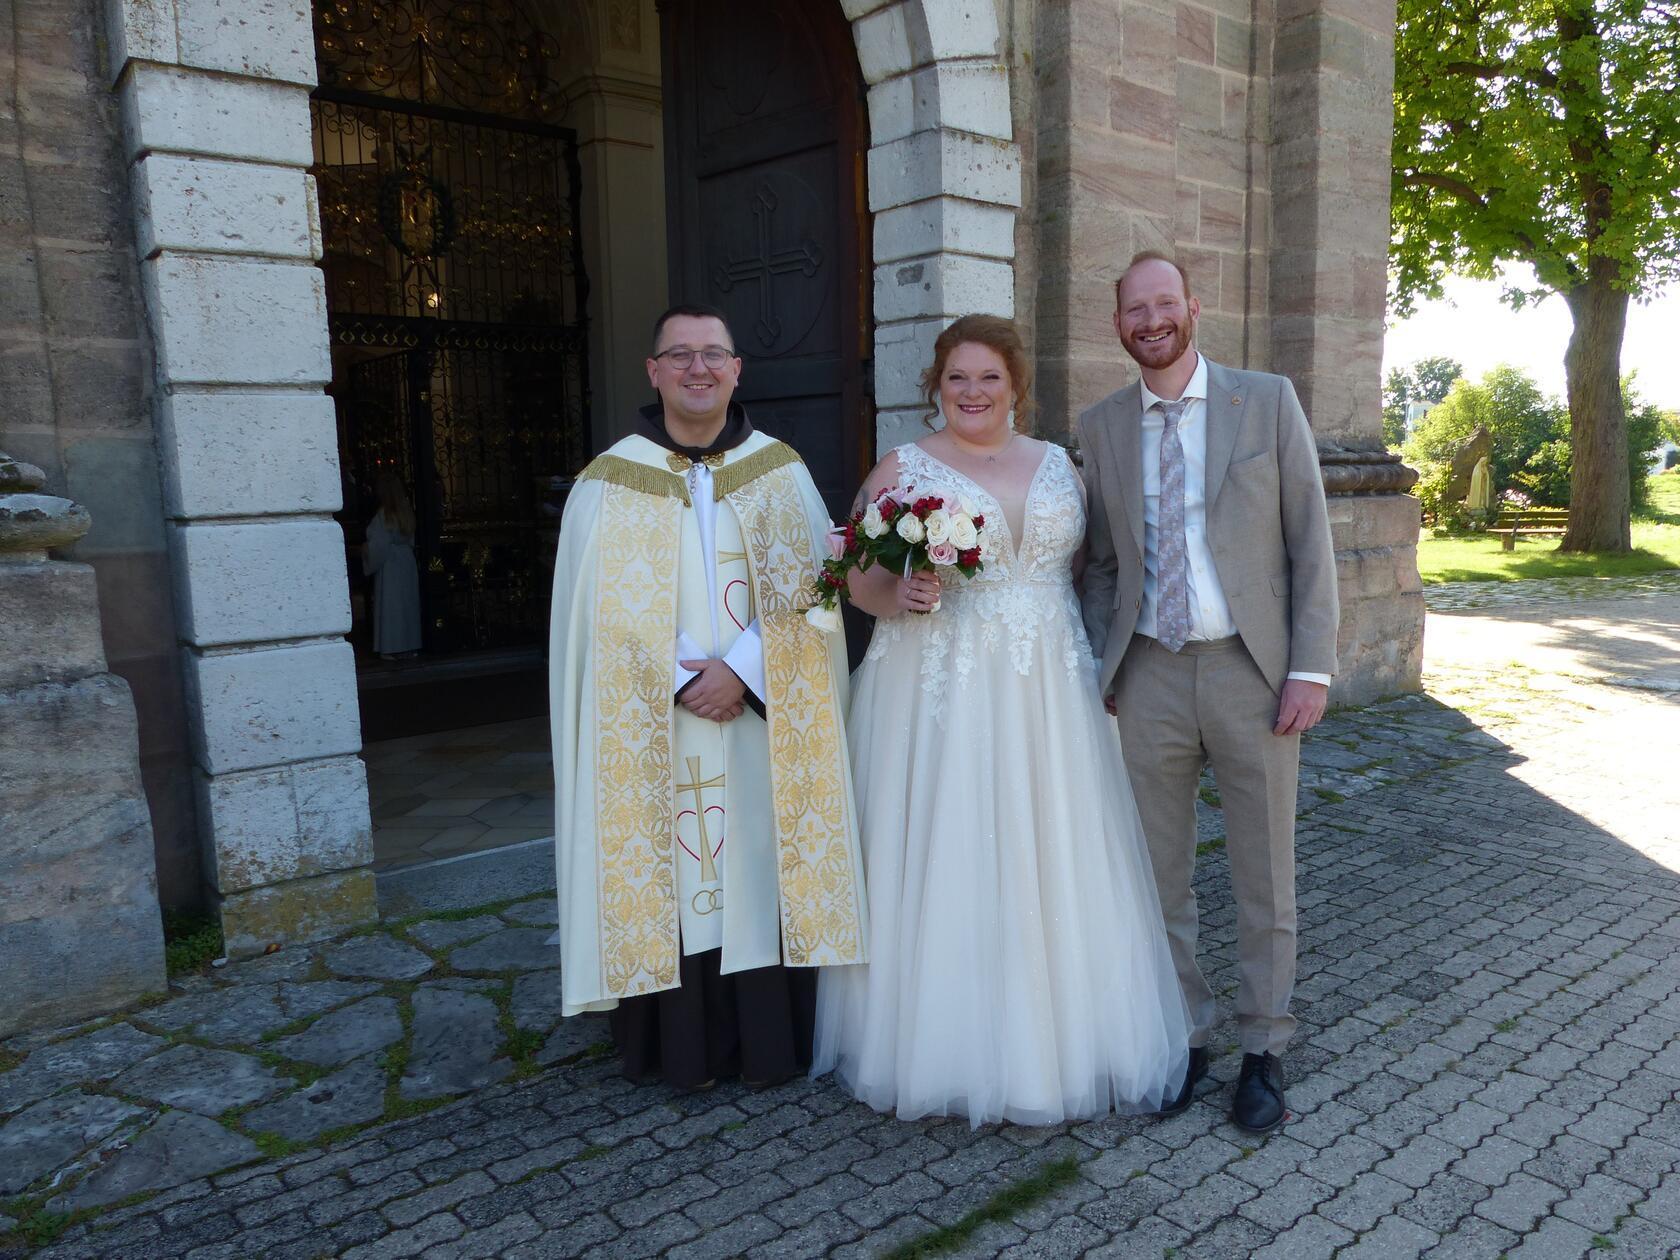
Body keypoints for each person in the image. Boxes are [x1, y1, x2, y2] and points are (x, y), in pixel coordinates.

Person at [812, 314, 1191, 1126]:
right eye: (957, 378)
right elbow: (849, 574)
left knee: (1053, 851)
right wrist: (898, 593)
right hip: (940, 687)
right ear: (936, 388)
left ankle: (1063, 1043)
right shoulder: (902, 469)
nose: (973, 392)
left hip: (1050, 690)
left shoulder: (1061, 465)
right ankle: (941, 1044)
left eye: (989, 378)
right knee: (951, 847)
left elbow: (1085, 571)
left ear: (1017, 385)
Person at [548, 303, 867, 1090]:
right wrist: (685, 675)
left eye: (713, 354)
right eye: (679, 355)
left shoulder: (780, 470)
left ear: (736, 370)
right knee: (671, 872)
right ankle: (673, 1049)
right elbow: (594, 618)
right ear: (653, 372)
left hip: (759, 719)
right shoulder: (607, 480)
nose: (698, 368)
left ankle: (770, 1042)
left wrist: (746, 670)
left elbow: (813, 596)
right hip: (660, 720)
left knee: (761, 857)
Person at [1078, 252, 1339, 1134]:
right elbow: (1102, 564)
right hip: (1148, 672)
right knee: (1158, 875)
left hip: (1250, 671)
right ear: (1117, 323)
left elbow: (1310, 540)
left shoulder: (1265, 400)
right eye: (1133, 309)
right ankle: (1183, 1034)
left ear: (1192, 307)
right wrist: (1104, 663)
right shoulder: (1102, 424)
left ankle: (1264, 1045)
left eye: (1164, 303)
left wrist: (1310, 667)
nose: (1150, 320)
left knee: (1265, 871)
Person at [363, 471, 421, 658]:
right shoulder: (406, 513)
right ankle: (410, 644)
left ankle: (391, 646)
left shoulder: (383, 516)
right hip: (406, 562)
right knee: (407, 604)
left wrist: (365, 549)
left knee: (391, 606)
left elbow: (378, 545)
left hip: (390, 564)